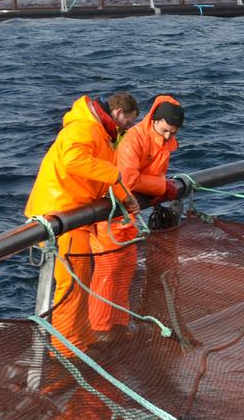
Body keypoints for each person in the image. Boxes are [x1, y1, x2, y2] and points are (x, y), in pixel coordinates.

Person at [25, 91, 141, 351]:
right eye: (129, 121)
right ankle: (66, 351)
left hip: (73, 214)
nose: (129, 127)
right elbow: (73, 160)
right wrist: (114, 175)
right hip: (60, 216)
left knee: (81, 282)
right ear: (119, 114)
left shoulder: (104, 133)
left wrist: (125, 198)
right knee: (71, 287)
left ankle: (82, 341)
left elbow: (101, 174)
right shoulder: (84, 128)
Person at [87, 95, 184, 342]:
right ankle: (99, 330)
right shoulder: (134, 139)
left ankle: (119, 325)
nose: (166, 137)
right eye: (163, 131)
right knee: (108, 271)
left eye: (171, 134)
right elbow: (127, 180)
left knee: (126, 267)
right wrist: (161, 187)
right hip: (111, 214)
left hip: (128, 215)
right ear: (154, 121)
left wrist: (156, 188)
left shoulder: (162, 142)